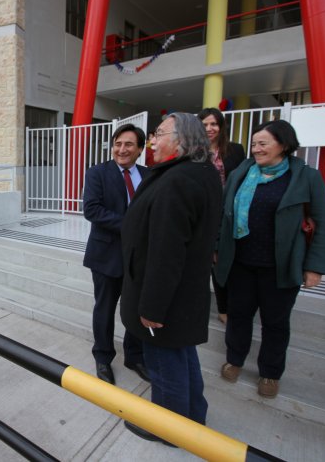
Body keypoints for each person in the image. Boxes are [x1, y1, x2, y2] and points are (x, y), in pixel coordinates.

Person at [119, 113, 222, 444]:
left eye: (159, 134)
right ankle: (193, 417)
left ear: (181, 140)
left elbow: (166, 252)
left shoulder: (178, 180)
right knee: (183, 357)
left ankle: (168, 429)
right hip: (183, 295)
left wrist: (152, 308)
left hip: (166, 299)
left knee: (165, 365)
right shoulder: (200, 173)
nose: (152, 141)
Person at [215, 120, 325, 399]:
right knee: (239, 315)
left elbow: (321, 222)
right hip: (241, 262)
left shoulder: (306, 176)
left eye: (263, 143)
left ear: (284, 144)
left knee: (275, 322)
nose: (256, 149)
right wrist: (217, 246)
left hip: (281, 266)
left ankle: (270, 372)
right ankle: (234, 359)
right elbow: (223, 213)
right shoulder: (243, 172)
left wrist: (315, 267)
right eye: (254, 143)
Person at [82, 124, 150, 385]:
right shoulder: (98, 173)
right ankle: (102, 357)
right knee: (105, 309)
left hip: (139, 256)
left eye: (129, 144)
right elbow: (92, 210)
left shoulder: (149, 175)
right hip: (106, 254)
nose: (122, 149)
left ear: (140, 149)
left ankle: (134, 356)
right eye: (118, 144)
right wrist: (133, 226)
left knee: (135, 309)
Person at [198, 107, 246, 324]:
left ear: (221, 126)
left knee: (222, 259)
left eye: (214, 124)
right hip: (201, 212)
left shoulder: (235, 150)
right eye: (205, 124)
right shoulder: (192, 151)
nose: (209, 129)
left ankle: (225, 307)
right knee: (203, 259)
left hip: (228, 213)